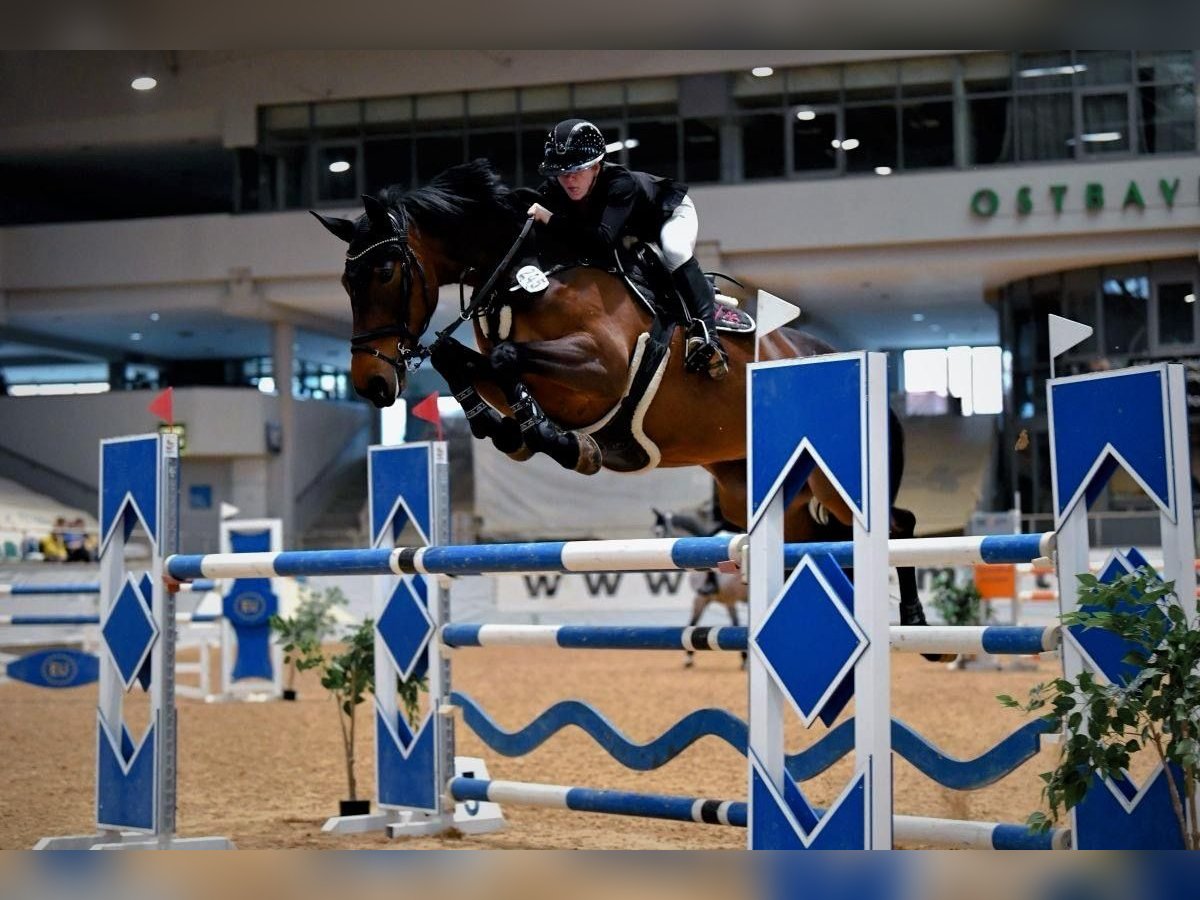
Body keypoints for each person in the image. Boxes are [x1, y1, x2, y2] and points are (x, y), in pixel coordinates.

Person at [526, 118, 729, 380]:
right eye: (562, 173)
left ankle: (708, 335)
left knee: (675, 251)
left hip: (667, 216)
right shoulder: (554, 189)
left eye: (578, 170)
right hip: (629, 233)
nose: (569, 179)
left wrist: (550, 219)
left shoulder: (620, 182)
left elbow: (600, 241)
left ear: (596, 166)